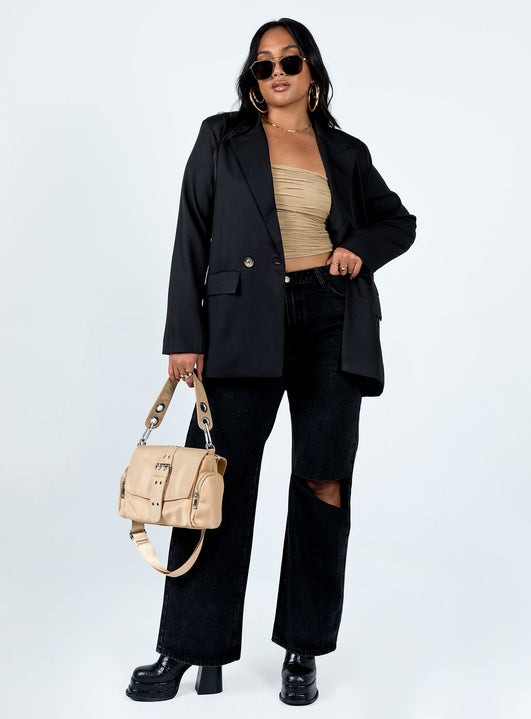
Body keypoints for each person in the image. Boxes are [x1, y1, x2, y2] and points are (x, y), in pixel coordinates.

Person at [125, 17, 416, 706]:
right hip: (238, 324)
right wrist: (183, 335)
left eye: (289, 60)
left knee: (323, 479)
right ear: (252, 79)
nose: (277, 71)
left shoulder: (345, 151)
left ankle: (302, 648)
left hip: (330, 319)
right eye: (263, 63)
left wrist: (357, 250)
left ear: (312, 71)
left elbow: (397, 221)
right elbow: (191, 234)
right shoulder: (221, 138)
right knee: (212, 483)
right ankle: (187, 648)